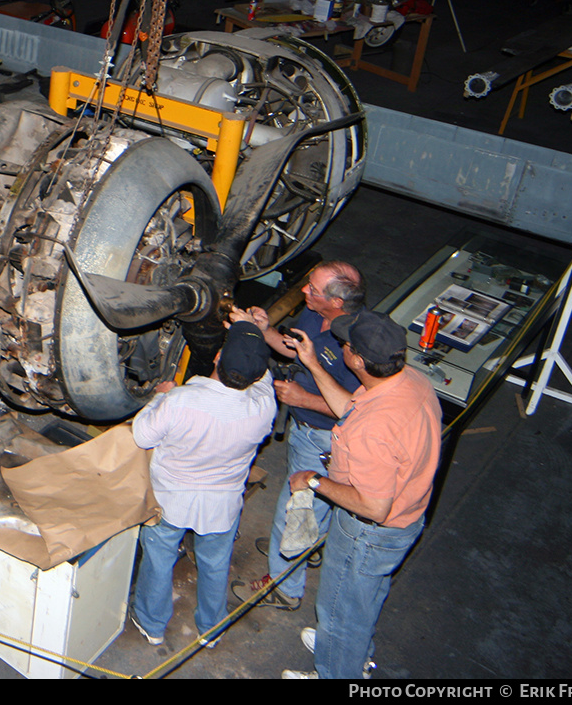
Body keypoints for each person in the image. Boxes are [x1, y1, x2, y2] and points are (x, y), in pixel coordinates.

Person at [279, 310, 442, 680]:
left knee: (339, 609)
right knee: (364, 598)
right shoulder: (406, 381)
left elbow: (373, 506)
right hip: (406, 519)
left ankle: (336, 668)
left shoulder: (377, 428)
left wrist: (314, 481)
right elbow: (350, 412)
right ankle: (352, 654)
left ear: (356, 360)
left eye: (346, 345)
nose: (341, 346)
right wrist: (313, 365)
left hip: (368, 531)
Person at [129, 310, 276, 647]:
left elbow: (141, 435)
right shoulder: (263, 408)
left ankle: (152, 624)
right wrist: (254, 334)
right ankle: (211, 629)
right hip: (221, 506)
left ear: (219, 357)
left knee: (159, 558)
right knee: (215, 564)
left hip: (170, 501)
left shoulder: (180, 401)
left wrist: (161, 395)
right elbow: (263, 379)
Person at [232, 261, 365, 611]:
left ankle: (285, 587)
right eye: (308, 284)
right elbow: (294, 349)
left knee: (292, 513)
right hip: (304, 430)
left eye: (313, 289)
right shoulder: (314, 313)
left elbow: (356, 408)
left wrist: (303, 399)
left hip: (325, 441)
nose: (304, 291)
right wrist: (263, 328)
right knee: (308, 513)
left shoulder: (354, 345)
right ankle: (305, 547)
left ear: (337, 303)